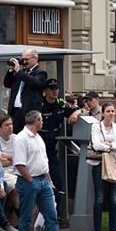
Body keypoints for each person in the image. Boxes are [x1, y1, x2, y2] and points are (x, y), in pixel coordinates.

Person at [14, 110, 68, 231]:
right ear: (36, 121)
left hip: (43, 180)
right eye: (41, 120)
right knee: (26, 217)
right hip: (29, 181)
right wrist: (30, 180)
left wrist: (49, 181)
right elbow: (19, 163)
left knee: (51, 216)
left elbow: (44, 163)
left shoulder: (38, 137)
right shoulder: (21, 138)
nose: (43, 122)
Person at [39, 78, 81, 221]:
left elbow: (78, 110)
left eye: (56, 88)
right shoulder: (40, 103)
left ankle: (55, 216)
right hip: (38, 151)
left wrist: (75, 114)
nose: (55, 91)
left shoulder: (60, 104)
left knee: (57, 182)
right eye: (52, 88)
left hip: (51, 151)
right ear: (45, 91)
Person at [88, 102, 116, 231]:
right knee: (99, 198)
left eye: (113, 111)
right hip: (100, 163)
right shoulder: (96, 126)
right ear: (103, 113)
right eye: (108, 111)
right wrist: (114, 145)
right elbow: (96, 144)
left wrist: (110, 145)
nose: (111, 113)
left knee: (114, 199)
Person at [5, 48, 47, 133]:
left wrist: (18, 71)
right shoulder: (21, 72)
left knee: (28, 136)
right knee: (15, 137)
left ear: (35, 59)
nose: (24, 62)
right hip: (15, 111)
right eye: (22, 59)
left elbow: (35, 82)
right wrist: (11, 70)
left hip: (29, 113)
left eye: (26, 59)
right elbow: (7, 84)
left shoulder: (41, 73)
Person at [0, 114, 20, 231]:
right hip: (2, 172)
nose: (10, 127)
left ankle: (23, 220)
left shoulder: (16, 138)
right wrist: (12, 157)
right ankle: (20, 219)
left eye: (11, 124)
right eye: (6, 125)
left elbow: (21, 158)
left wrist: (5, 156)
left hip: (16, 170)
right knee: (13, 185)